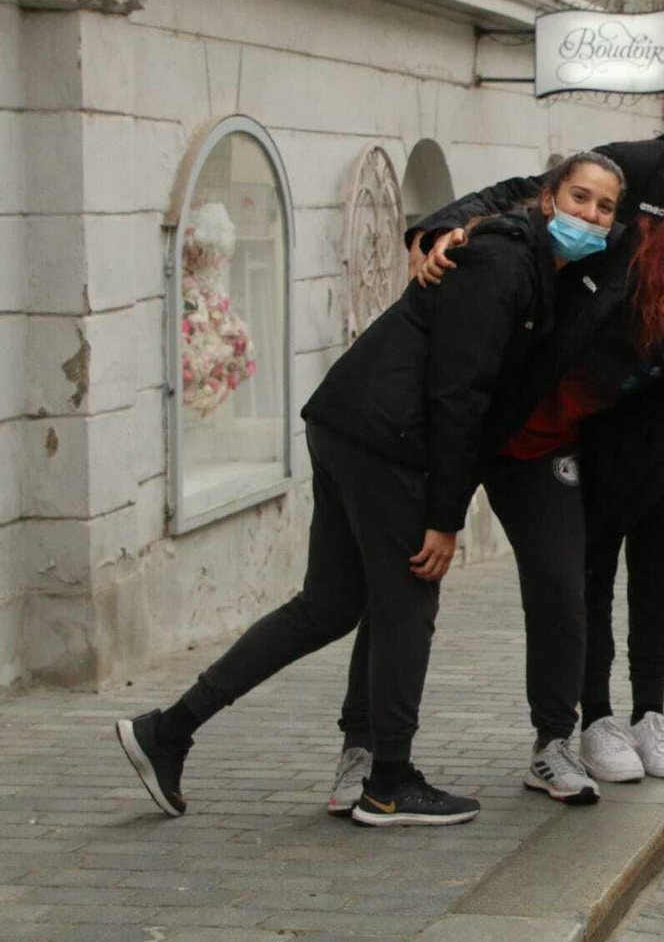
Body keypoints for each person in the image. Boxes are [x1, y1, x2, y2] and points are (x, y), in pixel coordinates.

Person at [113, 154, 617, 828]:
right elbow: (456, 393)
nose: (590, 213)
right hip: (389, 440)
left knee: (327, 605)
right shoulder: (503, 265)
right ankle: (388, 781)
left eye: (604, 207)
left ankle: (167, 730)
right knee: (409, 604)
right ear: (547, 200)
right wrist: (444, 516)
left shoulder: (527, 266)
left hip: (351, 424)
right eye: (578, 197)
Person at [406, 67, 664, 789]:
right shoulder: (645, 162)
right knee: (585, 572)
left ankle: (649, 711)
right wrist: (446, 223)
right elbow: (534, 192)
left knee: (658, 580)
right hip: (598, 417)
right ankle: (591, 718)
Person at [341, 191, 664, 809]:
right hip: (469, 431)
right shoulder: (616, 267)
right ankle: (362, 749)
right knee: (399, 587)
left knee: (564, 589)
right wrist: (449, 225)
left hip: (544, 455)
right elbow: (524, 203)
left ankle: (554, 743)